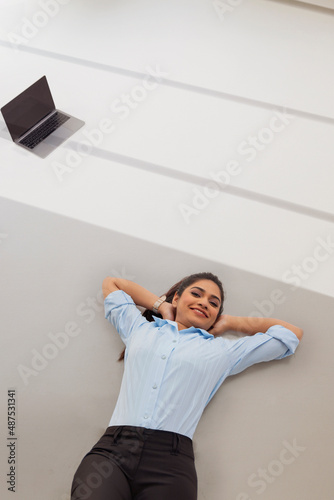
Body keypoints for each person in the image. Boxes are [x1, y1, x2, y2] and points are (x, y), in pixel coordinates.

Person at [70, 271, 303, 500]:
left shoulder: (222, 352)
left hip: (170, 465)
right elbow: (112, 283)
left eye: (214, 303)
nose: (204, 303)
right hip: (111, 454)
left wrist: (231, 322)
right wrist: (161, 305)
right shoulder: (139, 329)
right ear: (178, 298)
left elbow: (291, 333)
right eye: (197, 294)